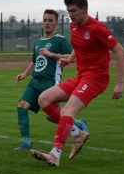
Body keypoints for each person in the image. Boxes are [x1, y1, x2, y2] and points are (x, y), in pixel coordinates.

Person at [30, 0, 124, 166]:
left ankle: (55, 154)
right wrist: (70, 59)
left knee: (67, 111)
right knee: (44, 98)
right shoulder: (74, 25)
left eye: (73, 11)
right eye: (68, 11)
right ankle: (77, 133)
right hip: (82, 76)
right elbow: (79, 45)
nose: (71, 14)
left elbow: (120, 52)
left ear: (84, 10)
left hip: (96, 78)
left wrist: (120, 83)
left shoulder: (97, 28)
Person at [15, 9, 88, 150]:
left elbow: (72, 57)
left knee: (53, 116)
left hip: (50, 82)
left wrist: (52, 54)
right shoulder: (38, 42)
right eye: (45, 20)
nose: (47, 23)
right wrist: (25, 73)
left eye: (50, 20)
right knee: (21, 107)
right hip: (35, 81)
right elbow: (35, 61)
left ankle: (79, 124)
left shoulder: (60, 40)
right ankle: (26, 142)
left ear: (56, 23)